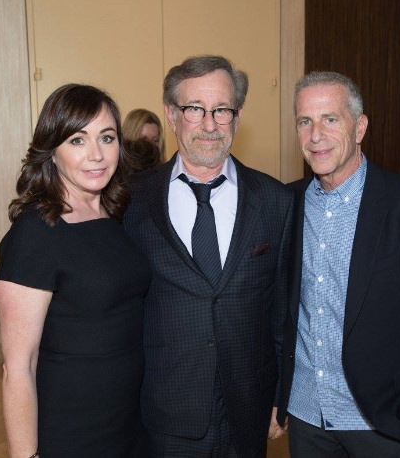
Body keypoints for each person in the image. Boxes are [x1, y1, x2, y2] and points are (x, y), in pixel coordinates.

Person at [278, 72, 400, 457]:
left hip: (384, 424)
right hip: (306, 416)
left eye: (331, 119)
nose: (316, 135)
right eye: (304, 121)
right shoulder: (285, 204)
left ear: (360, 127)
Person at [123, 55, 293, 457]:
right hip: (164, 412)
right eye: (195, 109)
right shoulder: (130, 202)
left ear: (238, 116)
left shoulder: (276, 201)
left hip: (248, 413)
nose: (209, 124)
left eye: (221, 110)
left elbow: (284, 310)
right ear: (171, 114)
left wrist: (281, 396)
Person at [0, 84, 150, 458]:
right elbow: (18, 367)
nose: (97, 155)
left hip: (128, 420)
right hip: (72, 428)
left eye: (107, 138)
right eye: (77, 141)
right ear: (52, 151)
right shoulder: (35, 232)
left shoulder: (112, 215)